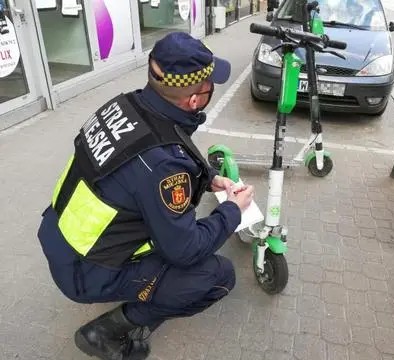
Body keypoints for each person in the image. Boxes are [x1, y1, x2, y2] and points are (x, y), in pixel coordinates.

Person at [37, 32, 254, 360]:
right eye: (210, 83)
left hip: (61, 236)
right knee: (217, 275)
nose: (212, 87)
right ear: (195, 99)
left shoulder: (126, 105)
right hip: (84, 270)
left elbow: (145, 162)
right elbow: (185, 250)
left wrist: (208, 179)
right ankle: (108, 331)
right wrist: (233, 212)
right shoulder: (164, 165)